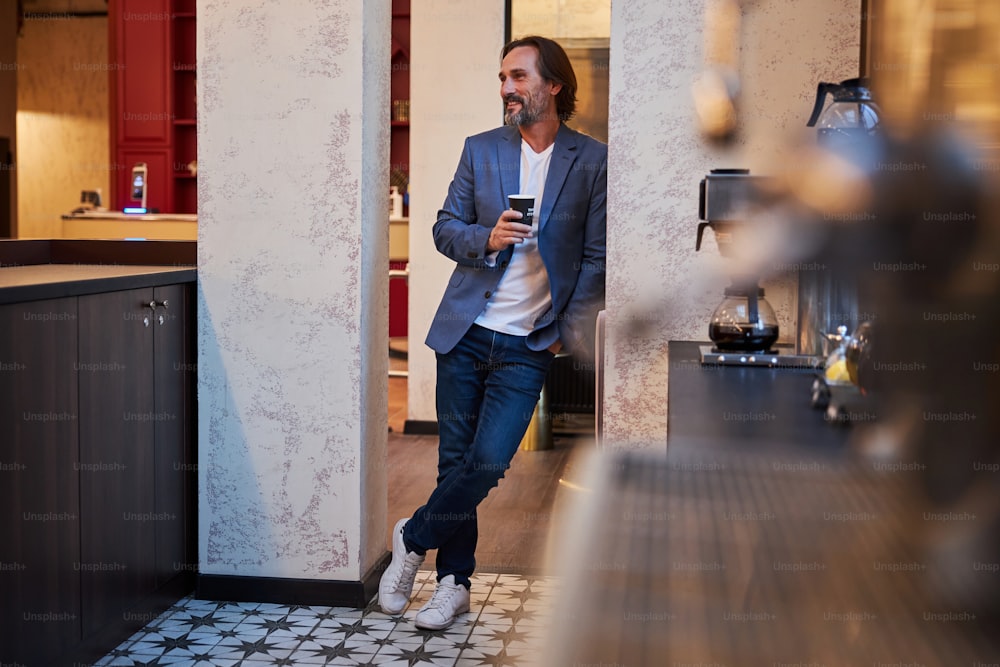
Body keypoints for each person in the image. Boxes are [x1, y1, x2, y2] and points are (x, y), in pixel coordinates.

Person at [378, 35, 607, 630]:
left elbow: (597, 258)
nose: (506, 88)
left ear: (553, 85)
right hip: (467, 331)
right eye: (502, 78)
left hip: (529, 343)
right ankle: (453, 584)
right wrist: (487, 237)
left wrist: (561, 334)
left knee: (487, 461)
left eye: (518, 77)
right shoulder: (481, 151)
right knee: (455, 461)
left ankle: (412, 535)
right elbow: (443, 228)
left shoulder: (593, 160)